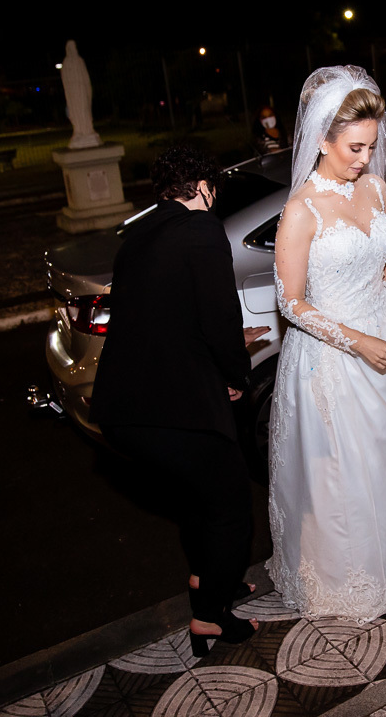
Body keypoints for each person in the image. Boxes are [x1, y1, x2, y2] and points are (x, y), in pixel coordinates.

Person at [267, 66, 386, 622]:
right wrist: (357, 343)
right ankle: (350, 584)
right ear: (322, 139)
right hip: (334, 358)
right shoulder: (301, 211)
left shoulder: (373, 187)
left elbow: (384, 257)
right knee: (349, 482)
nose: (365, 159)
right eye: (353, 147)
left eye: (371, 146)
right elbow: (290, 303)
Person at [90, 145, 268, 656]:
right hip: (173, 406)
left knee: (197, 497)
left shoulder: (137, 236)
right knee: (232, 504)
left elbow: (160, 317)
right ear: (205, 188)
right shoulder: (201, 229)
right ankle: (211, 618)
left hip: (125, 411)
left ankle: (211, 580)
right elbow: (216, 317)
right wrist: (234, 375)